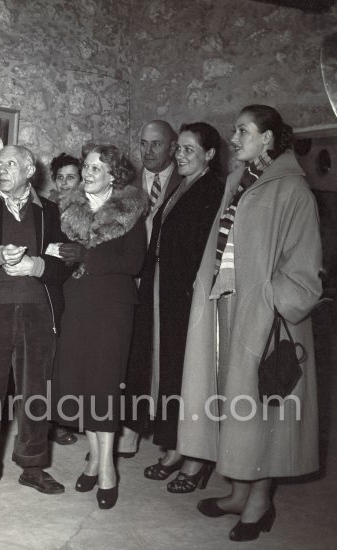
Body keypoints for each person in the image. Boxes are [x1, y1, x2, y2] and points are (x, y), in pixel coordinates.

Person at [178, 105, 322, 542]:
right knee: (232, 406)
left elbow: (305, 270)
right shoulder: (238, 183)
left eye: (243, 131)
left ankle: (259, 503)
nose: (234, 138)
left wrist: (268, 303)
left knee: (263, 413)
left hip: (266, 318)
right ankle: (239, 492)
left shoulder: (293, 191)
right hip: (228, 310)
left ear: (269, 139)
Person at [0, 145, 70, 505]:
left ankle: (33, 467)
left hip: (38, 312)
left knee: (36, 394)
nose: (1, 169)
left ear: (29, 170)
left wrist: (38, 267)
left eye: (10, 163)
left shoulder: (50, 211)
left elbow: (65, 259)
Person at [128, 123, 224, 490]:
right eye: (179, 149)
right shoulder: (182, 186)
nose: (180, 155)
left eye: (189, 150)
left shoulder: (213, 190)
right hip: (162, 293)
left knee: (190, 376)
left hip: (187, 297)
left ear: (210, 155)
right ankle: (174, 446)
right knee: (169, 371)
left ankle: (196, 459)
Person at [53, 143, 147, 509]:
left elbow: (134, 261)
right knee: (81, 384)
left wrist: (86, 256)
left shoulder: (131, 210)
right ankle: (93, 458)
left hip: (112, 308)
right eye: (86, 166)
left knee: (104, 386)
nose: (87, 173)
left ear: (114, 175)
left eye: (96, 168)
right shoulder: (69, 208)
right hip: (75, 306)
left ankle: (107, 470)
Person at [119, 119, 181, 456]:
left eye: (156, 144)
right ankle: (129, 429)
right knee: (131, 354)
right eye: (143, 143)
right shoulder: (126, 185)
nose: (148, 150)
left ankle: (165, 432)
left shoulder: (185, 182)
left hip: (165, 281)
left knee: (165, 353)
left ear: (172, 147)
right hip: (130, 277)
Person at [47, 152, 82, 446]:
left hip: (77, 287)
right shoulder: (46, 207)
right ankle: (42, 421)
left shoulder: (87, 208)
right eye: (60, 177)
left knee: (68, 354)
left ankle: (62, 420)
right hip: (49, 283)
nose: (65, 183)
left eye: (71, 177)